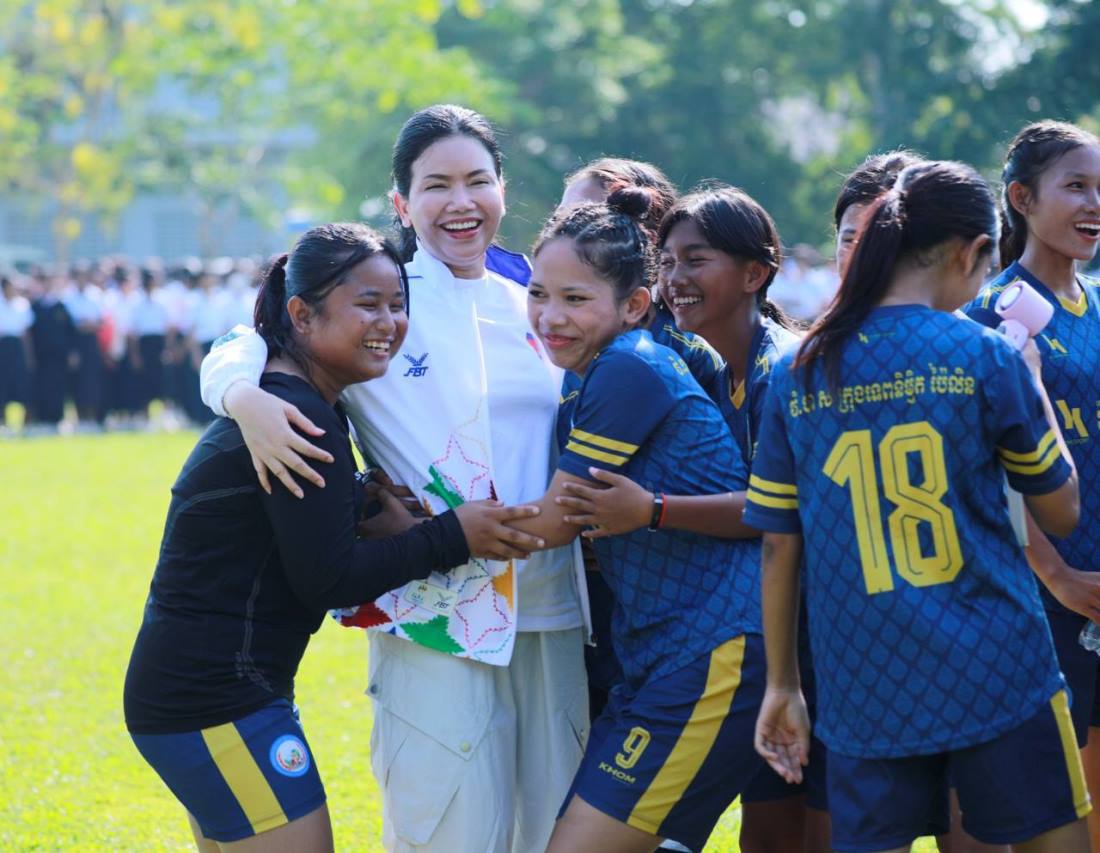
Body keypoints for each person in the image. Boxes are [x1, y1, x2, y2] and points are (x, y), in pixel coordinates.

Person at [198, 105, 588, 853]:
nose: (461, 202)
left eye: (478, 180)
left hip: (555, 609)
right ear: (402, 203)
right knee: (450, 833)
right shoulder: (380, 300)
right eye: (436, 185)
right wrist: (245, 400)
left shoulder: (535, 301)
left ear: (503, 190)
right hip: (434, 613)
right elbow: (241, 342)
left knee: (555, 834)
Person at [124, 222, 542, 851]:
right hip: (213, 700)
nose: (389, 323)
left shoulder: (296, 398)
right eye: (368, 305)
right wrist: (453, 535)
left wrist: (362, 497)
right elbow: (329, 579)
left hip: (208, 694)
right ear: (302, 315)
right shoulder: (297, 415)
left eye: (397, 304)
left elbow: (287, 535)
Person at [745, 160, 1089, 853]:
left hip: (864, 680)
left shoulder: (797, 369)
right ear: (972, 252)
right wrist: (1034, 384)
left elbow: (780, 543)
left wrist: (783, 684)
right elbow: (1061, 512)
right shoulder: (985, 355)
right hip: (999, 669)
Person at [505, 188, 767, 853]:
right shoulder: (594, 369)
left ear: (634, 304)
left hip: (713, 645)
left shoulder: (628, 367)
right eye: (538, 294)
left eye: (575, 298)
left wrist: (422, 533)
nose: (550, 316)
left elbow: (552, 524)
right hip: (662, 652)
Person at [962, 120, 1100, 850]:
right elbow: (985, 472)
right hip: (1042, 600)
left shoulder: (1098, 303)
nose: (1095, 203)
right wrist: (1056, 574)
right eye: (1076, 186)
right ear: (1021, 197)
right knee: (1051, 811)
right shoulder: (991, 316)